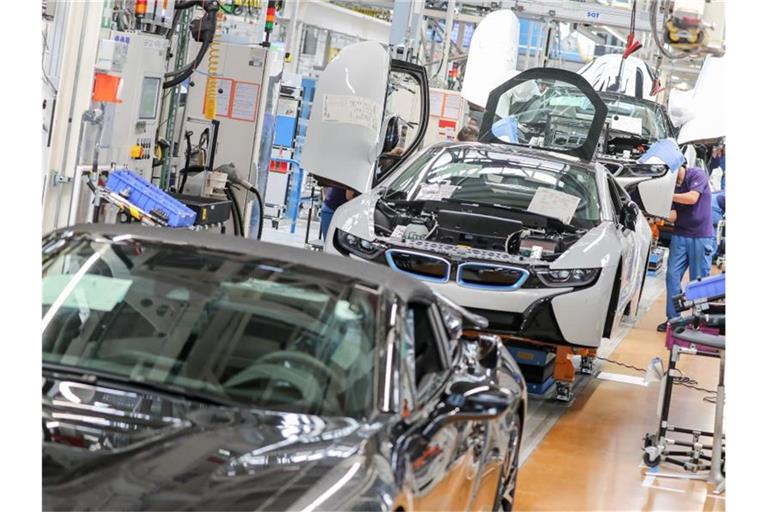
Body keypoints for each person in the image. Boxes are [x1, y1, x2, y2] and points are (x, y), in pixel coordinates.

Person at [657, 164, 715, 331]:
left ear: (676, 167)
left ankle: (699, 320)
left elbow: (692, 198)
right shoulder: (671, 186)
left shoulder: (697, 174)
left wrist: (668, 195)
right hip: (680, 235)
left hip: (701, 236)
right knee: (672, 276)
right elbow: (673, 216)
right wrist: (655, 211)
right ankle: (673, 320)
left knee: (699, 280)